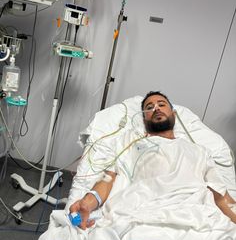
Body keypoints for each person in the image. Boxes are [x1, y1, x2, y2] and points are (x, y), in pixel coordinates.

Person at [69, 90, 236, 229]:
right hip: (142, 214)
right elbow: (108, 178)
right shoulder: (130, 142)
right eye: (150, 107)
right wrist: (88, 202)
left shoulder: (200, 151)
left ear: (174, 114)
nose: (156, 108)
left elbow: (222, 198)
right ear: (144, 118)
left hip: (195, 217)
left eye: (162, 105)